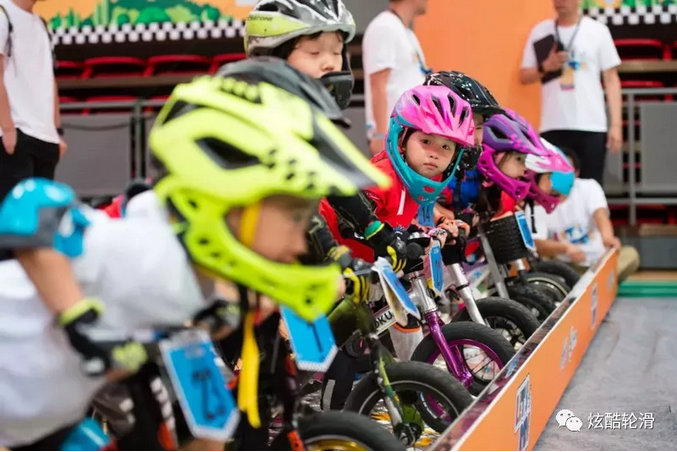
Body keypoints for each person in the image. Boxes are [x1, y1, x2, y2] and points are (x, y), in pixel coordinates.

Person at [0, 74, 386, 449]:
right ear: (235, 202)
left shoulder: (205, 275)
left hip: (43, 422)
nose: (301, 238)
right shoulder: (146, 245)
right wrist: (80, 321)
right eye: (294, 215)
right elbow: (32, 204)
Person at [519, 0, 622, 185]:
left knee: (590, 187)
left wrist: (616, 125)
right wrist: (545, 66)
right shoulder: (540, 32)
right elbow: (524, 76)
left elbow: (611, 79)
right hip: (553, 124)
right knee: (554, 187)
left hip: (591, 125)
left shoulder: (598, 31)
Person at [528, 145, 640, 282]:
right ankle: (598, 282)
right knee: (543, 262)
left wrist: (607, 239)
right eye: (556, 171)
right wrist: (565, 248)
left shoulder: (588, 187)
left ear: (576, 173)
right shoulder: (538, 201)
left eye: (566, 170)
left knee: (630, 255)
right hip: (565, 265)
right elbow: (537, 243)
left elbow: (600, 215)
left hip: (598, 261)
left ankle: (592, 280)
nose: (562, 175)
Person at [0, 0, 67, 203]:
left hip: (45, 138)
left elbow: (49, 78)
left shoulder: (41, 24)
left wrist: (57, 131)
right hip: (16, 134)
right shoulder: (3, 14)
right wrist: (8, 129)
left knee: (42, 214)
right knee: (14, 215)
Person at [363, 0, 430, 156]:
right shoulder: (384, 26)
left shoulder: (405, 31)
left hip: (409, 136)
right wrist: (380, 135)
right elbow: (378, 84)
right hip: (392, 138)